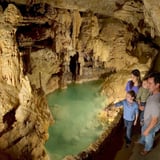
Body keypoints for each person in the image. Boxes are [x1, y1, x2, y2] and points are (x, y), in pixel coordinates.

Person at [137, 72, 160, 156]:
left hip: (151, 124)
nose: (148, 85)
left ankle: (147, 148)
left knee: (149, 137)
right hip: (147, 121)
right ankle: (142, 140)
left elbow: (154, 120)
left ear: (157, 85)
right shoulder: (153, 94)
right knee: (144, 131)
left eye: (150, 83)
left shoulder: (155, 101)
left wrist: (147, 130)